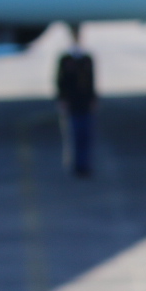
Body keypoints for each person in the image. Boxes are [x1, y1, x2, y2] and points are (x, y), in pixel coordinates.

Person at [54, 24, 97, 178]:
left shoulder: (87, 58)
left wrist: (93, 98)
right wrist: (62, 99)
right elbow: (59, 81)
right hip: (72, 103)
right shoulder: (65, 59)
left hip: (85, 102)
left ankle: (84, 165)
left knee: (85, 135)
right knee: (73, 135)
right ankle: (75, 165)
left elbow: (92, 80)